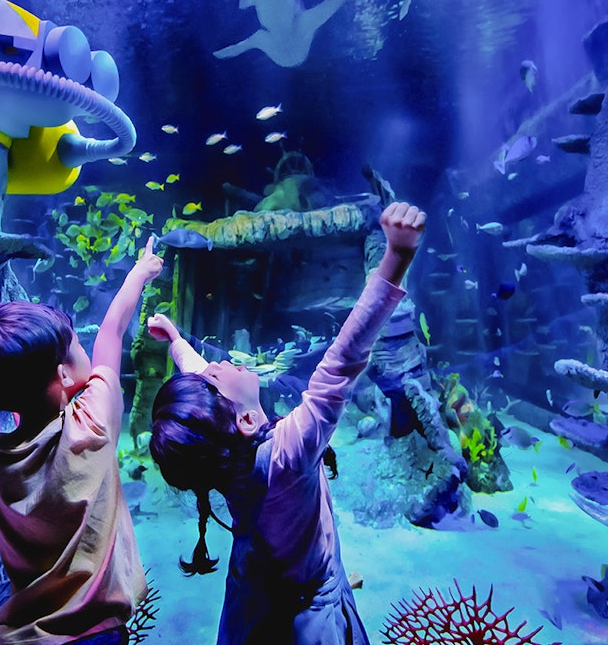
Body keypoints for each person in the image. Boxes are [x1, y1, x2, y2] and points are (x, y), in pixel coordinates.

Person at [146, 201, 425, 645]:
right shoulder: (290, 451)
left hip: (250, 606)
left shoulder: (223, 454)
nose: (216, 364)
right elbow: (343, 358)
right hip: (310, 618)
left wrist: (177, 342)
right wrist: (396, 257)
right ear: (246, 418)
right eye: (216, 373)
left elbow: (202, 395)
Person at [0, 237, 164, 645]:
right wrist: (139, 274)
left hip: (22, 636)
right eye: (76, 345)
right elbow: (112, 333)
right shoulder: (92, 424)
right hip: (94, 634)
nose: (85, 347)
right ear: (64, 375)